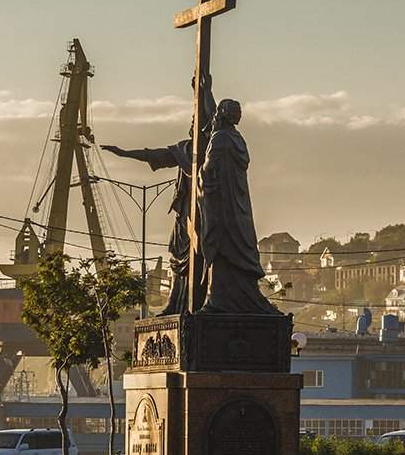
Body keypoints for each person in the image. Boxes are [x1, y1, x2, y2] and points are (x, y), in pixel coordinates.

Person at [101, 75, 216, 314]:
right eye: (193, 122)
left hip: (205, 211)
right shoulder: (185, 149)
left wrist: (206, 92)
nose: (193, 125)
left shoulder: (213, 149)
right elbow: (154, 155)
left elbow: (213, 119)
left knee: (203, 256)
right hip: (185, 213)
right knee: (177, 254)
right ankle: (176, 304)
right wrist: (124, 153)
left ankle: (201, 304)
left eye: (197, 122)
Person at [197, 99, 278, 314]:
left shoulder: (221, 137)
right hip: (236, 200)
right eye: (236, 111)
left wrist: (200, 176)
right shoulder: (234, 137)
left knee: (224, 243)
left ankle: (220, 298)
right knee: (236, 242)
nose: (239, 114)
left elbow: (209, 166)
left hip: (226, 201)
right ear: (227, 114)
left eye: (239, 111)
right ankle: (231, 296)